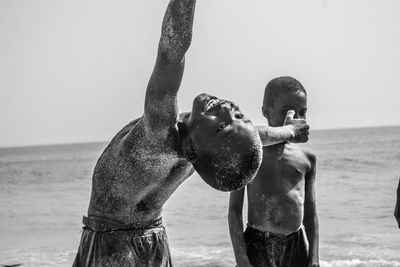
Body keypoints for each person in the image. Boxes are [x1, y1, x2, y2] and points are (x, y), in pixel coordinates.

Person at [73, 1, 310, 266]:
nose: (227, 110)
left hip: (112, 247)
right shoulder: (201, 156)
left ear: (197, 147)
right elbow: (252, 137)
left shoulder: (160, 132)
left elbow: (172, 51)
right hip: (153, 241)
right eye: (240, 116)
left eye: (222, 125)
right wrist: (288, 131)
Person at [229, 77, 319, 267]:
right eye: (287, 112)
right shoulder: (248, 154)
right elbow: (235, 211)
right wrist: (242, 259)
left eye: (302, 113)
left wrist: (314, 257)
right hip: (257, 243)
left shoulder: (307, 159)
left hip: (296, 245)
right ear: (266, 112)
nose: (294, 120)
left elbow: (311, 214)